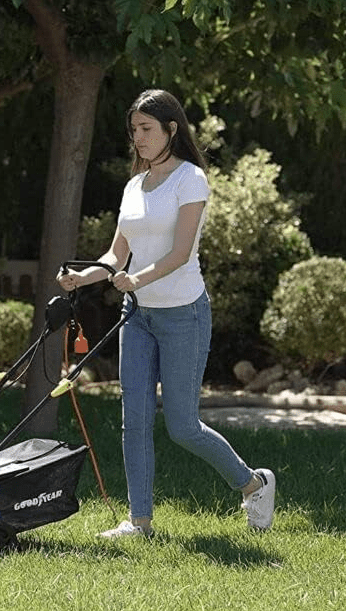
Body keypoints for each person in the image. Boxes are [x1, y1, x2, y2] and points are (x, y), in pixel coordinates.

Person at [56, 89, 275, 537]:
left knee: (183, 427)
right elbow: (117, 255)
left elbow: (180, 252)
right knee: (132, 420)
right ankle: (140, 522)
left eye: (146, 129)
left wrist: (138, 279)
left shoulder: (190, 179)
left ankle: (253, 483)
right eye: (134, 130)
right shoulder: (134, 186)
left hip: (183, 315)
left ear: (171, 130)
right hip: (137, 317)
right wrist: (83, 277)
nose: (138, 138)